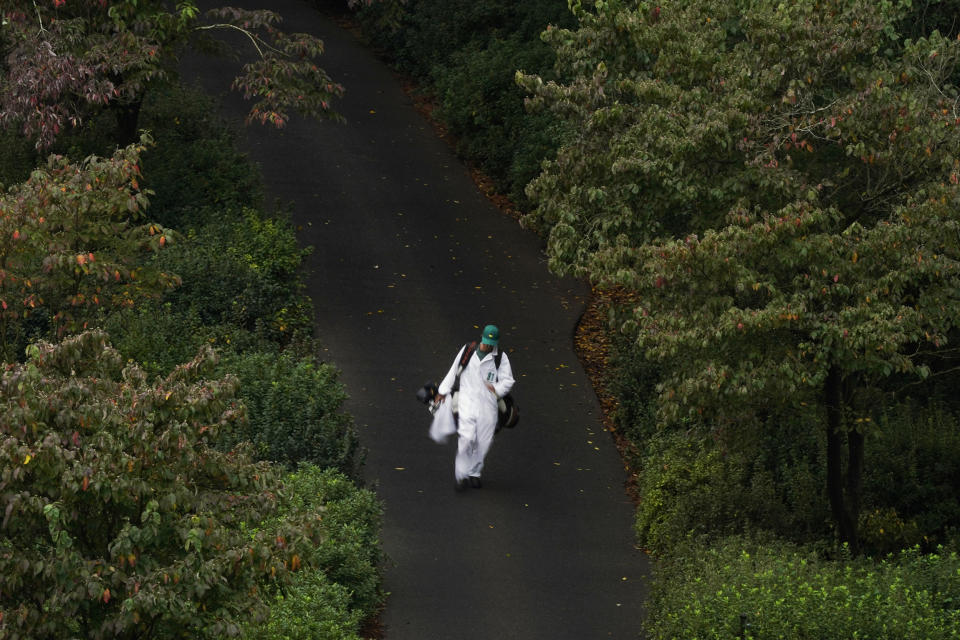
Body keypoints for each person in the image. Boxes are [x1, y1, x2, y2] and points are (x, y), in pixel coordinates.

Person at [436, 324, 515, 491]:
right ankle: (461, 475)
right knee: (466, 439)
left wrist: (497, 389)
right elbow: (453, 371)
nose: (487, 346)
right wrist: (442, 391)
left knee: (483, 442)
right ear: (482, 338)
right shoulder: (468, 350)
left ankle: (475, 472)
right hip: (467, 401)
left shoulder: (500, 357)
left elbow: (508, 380)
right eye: (485, 342)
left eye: (491, 343)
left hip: (488, 406)